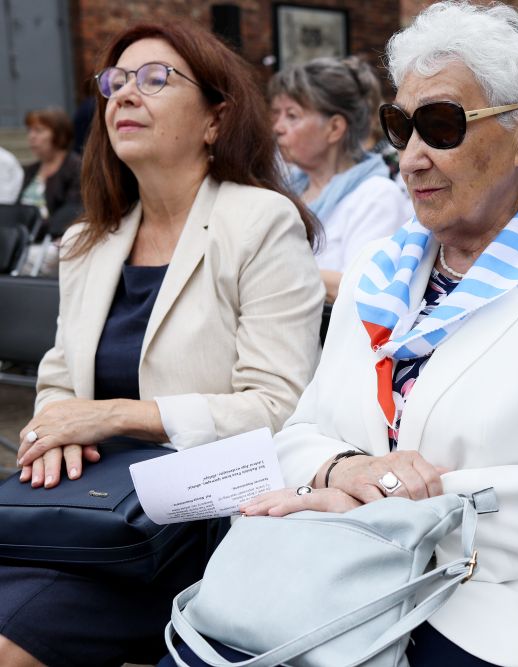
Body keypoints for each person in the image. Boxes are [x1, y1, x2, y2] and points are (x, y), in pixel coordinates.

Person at [163, 4, 518, 666]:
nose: (414, 157)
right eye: (402, 127)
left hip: (507, 602)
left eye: (443, 125)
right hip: (344, 574)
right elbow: (301, 434)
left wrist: (385, 503)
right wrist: (345, 469)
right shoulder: (381, 269)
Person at [0, 19, 324, 666]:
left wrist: (118, 415)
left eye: (154, 79)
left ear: (214, 119)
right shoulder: (87, 241)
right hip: (80, 510)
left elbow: (280, 408)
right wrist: (48, 441)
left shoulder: (259, 223)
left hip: (195, 524)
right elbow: (60, 382)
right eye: (114, 82)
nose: (122, 94)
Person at [270, 57, 412, 304]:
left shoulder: (376, 196)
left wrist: (265, 270)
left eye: (292, 116)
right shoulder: (286, 190)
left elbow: (360, 288)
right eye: (277, 115)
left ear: (334, 128)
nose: (278, 127)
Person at [18, 107, 82, 232]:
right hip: (25, 238)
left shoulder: (76, 168)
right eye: (29, 130)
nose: (31, 136)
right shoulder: (30, 170)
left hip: (56, 239)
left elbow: (71, 212)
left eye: (39, 131)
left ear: (59, 134)